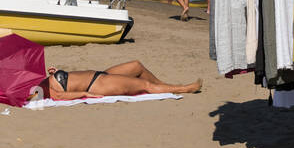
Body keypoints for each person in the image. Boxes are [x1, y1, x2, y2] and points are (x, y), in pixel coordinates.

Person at [42, 61, 201, 100]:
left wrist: (55, 73)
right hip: (97, 85)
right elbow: (59, 96)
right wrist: (84, 93)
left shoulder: (37, 80)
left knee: (137, 66)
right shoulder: (36, 90)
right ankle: (183, 89)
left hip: (100, 75)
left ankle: (164, 86)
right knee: (145, 85)